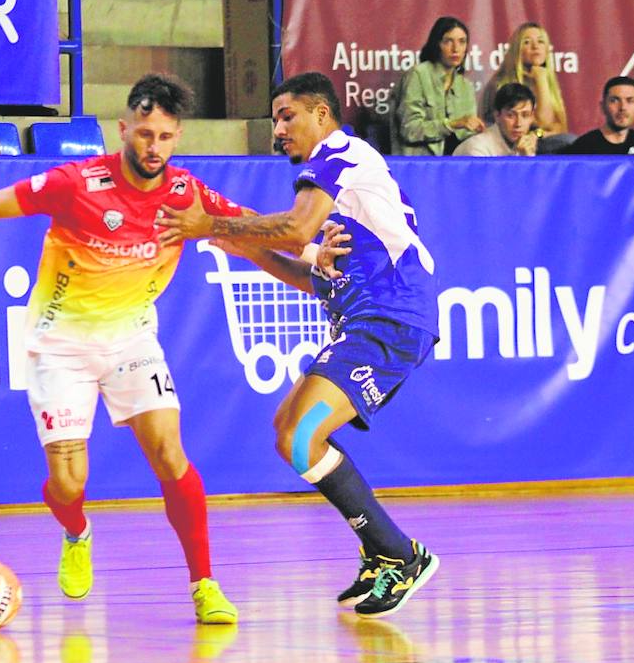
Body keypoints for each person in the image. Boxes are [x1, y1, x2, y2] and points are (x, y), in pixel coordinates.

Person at [0, 74, 240, 625]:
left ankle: (205, 584)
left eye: (164, 136)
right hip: (60, 345)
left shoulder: (185, 195)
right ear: (123, 130)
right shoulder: (78, 182)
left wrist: (311, 251)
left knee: (169, 454)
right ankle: (76, 531)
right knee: (69, 483)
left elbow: (247, 230)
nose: (152, 147)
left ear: (178, 136)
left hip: (133, 338)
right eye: (143, 134)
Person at [156, 71, 440, 619]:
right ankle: (386, 552)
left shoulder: (339, 154)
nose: (278, 129)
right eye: (275, 119)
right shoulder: (344, 202)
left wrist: (208, 221)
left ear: (322, 115)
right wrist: (238, 244)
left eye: (288, 116)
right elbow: (306, 270)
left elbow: (293, 229)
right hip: (366, 318)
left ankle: (399, 554)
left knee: (303, 432)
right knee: (291, 433)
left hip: (390, 318)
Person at [391, 16, 484, 156]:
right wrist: (452, 124)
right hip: (420, 164)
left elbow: (467, 137)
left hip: (456, 165)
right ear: (436, 44)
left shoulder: (465, 86)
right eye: (448, 41)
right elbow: (410, 130)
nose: (456, 49)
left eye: (462, 42)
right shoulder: (418, 75)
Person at [482, 22, 573, 153]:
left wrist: (537, 135)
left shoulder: (548, 81)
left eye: (541, 41)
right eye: (527, 42)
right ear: (517, 49)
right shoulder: (502, 82)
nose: (535, 46)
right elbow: (543, 123)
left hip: (536, 141)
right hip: (506, 144)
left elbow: (559, 127)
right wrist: (541, 80)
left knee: (571, 142)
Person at [562, 76, 634, 155]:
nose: (623, 107)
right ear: (603, 106)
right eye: (614, 100)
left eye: (630, 100)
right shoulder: (585, 146)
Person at [454, 83, 538, 157]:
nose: (518, 124)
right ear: (497, 115)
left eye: (525, 115)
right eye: (510, 115)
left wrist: (528, 157)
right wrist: (522, 161)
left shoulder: (526, 147)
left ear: (532, 117)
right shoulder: (477, 147)